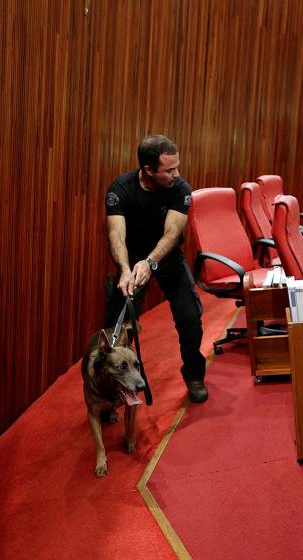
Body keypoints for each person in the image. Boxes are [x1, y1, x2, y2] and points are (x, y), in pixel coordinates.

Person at [104, 134, 208, 403]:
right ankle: (115, 391)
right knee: (119, 324)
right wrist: (125, 270)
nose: (177, 174)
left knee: (189, 316)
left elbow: (172, 232)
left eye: (177, 167)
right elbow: (116, 235)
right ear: (148, 170)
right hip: (133, 257)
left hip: (167, 256)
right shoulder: (121, 189)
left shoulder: (180, 188)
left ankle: (194, 376)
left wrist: (150, 263)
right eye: (169, 169)